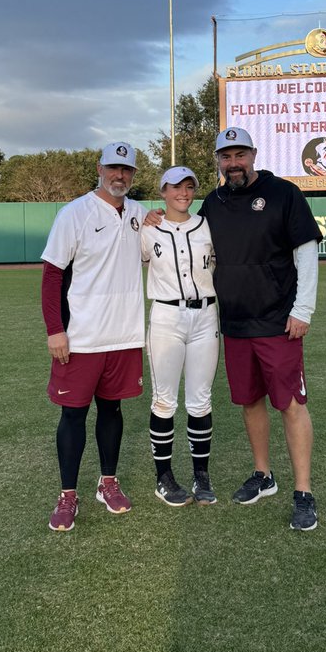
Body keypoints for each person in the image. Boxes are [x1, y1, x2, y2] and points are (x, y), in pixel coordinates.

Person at [200, 127, 322, 531]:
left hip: (278, 321)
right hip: (234, 323)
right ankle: (263, 475)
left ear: (253, 154)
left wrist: (302, 309)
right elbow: (194, 246)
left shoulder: (284, 193)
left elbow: (306, 252)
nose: (233, 163)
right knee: (249, 401)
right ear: (217, 160)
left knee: (290, 404)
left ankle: (303, 491)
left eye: (240, 155)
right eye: (225, 156)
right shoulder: (212, 203)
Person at [40, 142, 145, 532]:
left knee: (113, 411)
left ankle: (108, 482)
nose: (120, 176)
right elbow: (52, 275)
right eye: (114, 168)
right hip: (80, 336)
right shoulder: (74, 214)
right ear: (100, 168)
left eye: (127, 170)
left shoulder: (138, 214)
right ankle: (68, 494)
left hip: (123, 334)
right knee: (73, 414)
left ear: (133, 175)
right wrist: (55, 330)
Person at [141, 166, 219, 508]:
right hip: (166, 316)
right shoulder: (148, 228)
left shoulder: (207, 225)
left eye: (189, 187)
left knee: (201, 401)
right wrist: (144, 218)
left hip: (206, 315)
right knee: (164, 401)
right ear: (163, 192)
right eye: (175, 187)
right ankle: (164, 477)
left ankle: (201, 475)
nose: (183, 193)